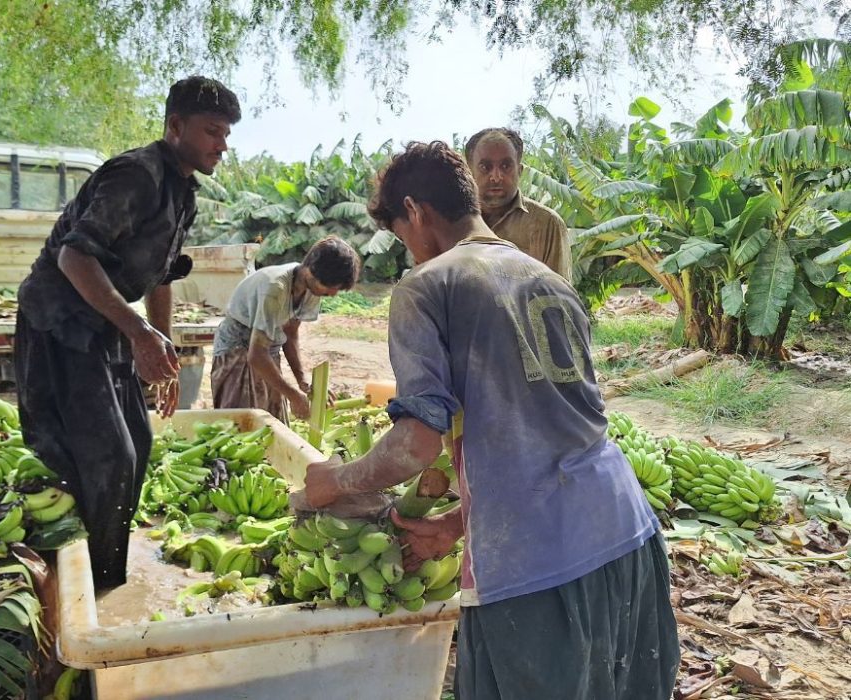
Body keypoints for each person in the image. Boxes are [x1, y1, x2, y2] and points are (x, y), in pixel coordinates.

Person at [302, 142, 678, 699]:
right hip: (627, 534)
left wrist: (333, 480)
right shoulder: (548, 279)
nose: (407, 251)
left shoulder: (427, 287)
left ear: (416, 210)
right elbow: (551, 427)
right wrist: (458, 523)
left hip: (537, 566)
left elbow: (415, 445)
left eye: (402, 233)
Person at [14, 76, 241, 590]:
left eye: (226, 134)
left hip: (105, 323)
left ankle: (108, 573)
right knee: (100, 455)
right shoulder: (136, 174)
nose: (221, 146)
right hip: (60, 322)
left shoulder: (183, 192)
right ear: (176, 125)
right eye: (211, 132)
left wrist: (160, 349)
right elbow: (74, 256)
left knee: (136, 444)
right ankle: (81, 582)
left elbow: (161, 276)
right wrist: (139, 333)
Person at [211, 237, 360, 421]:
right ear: (312, 271)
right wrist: (293, 396)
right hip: (237, 351)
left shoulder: (312, 289)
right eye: (331, 287)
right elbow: (256, 355)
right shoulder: (275, 289)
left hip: (266, 351)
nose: (332, 294)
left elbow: (290, 334)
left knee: (272, 422)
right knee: (240, 424)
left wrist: (302, 382)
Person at [464, 127, 572, 280]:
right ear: (469, 172)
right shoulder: (452, 221)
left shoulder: (546, 224)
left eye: (506, 166)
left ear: (519, 171)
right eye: (485, 167)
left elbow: (558, 297)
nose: (496, 177)